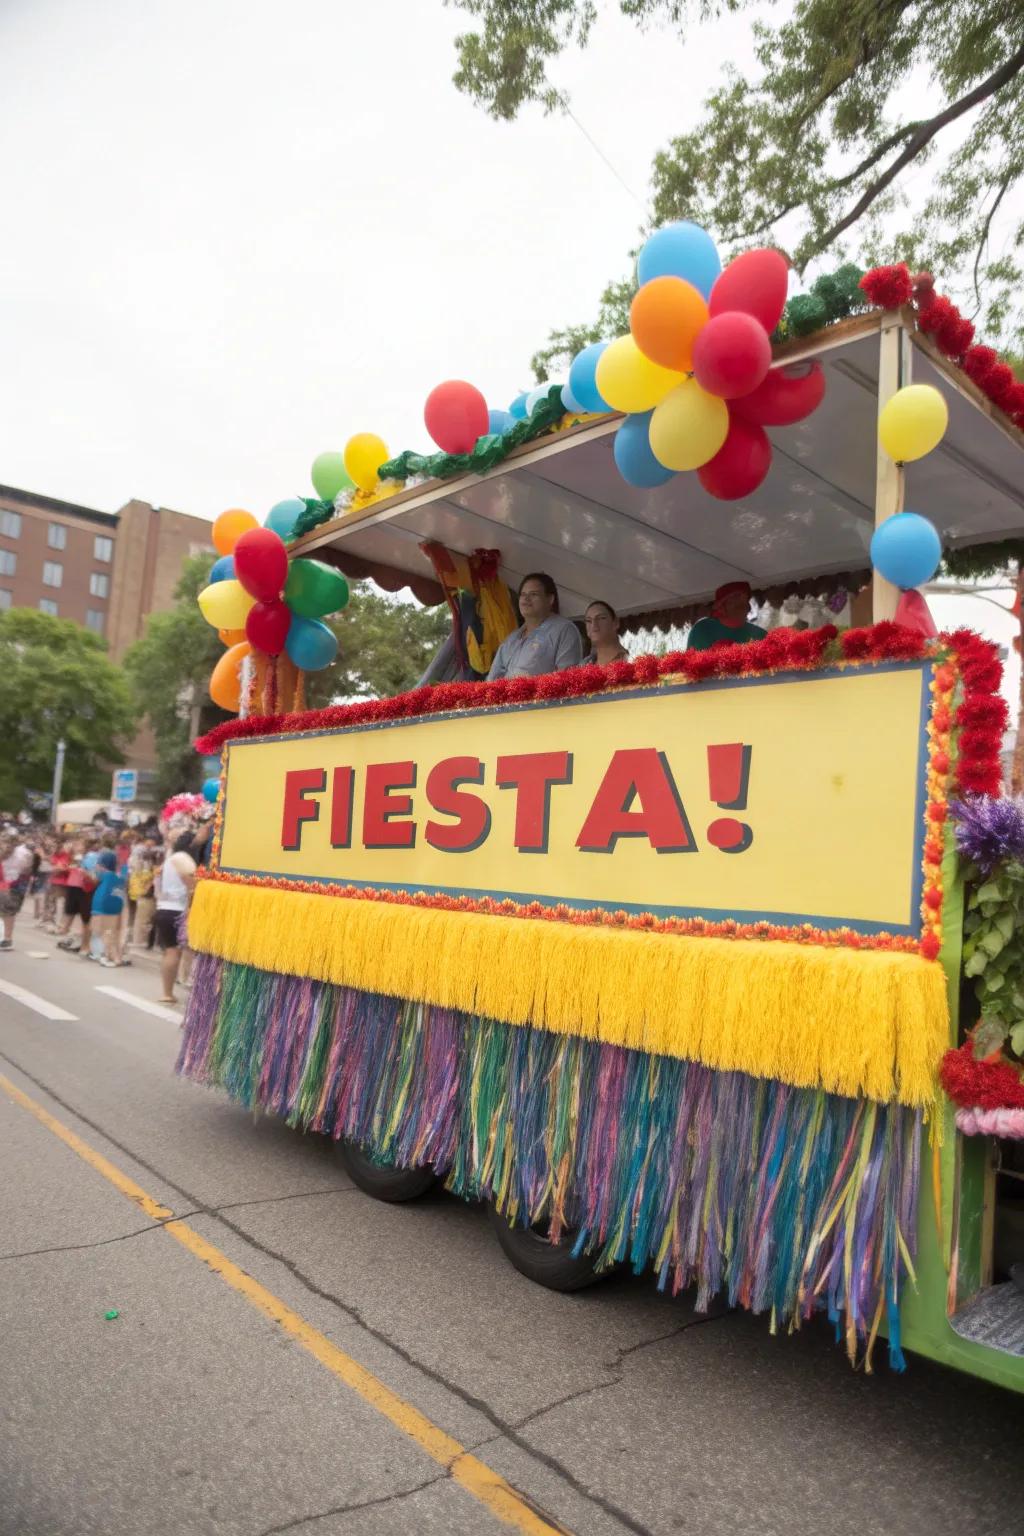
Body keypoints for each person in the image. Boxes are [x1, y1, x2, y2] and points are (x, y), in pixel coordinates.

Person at [487, 573, 583, 680]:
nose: (526, 599)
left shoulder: (564, 630)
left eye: (533, 594)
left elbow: (566, 680)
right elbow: (492, 680)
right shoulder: (511, 639)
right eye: (523, 594)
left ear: (550, 599)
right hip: (505, 695)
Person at [154, 831, 196, 1004]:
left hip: (164, 908)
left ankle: (167, 992)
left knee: (169, 951)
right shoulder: (183, 858)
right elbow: (189, 881)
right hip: (177, 911)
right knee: (176, 952)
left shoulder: (170, 859)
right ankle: (174, 991)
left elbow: (157, 879)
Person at [687, 581, 767, 651]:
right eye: (735, 599)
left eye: (744, 602)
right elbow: (690, 665)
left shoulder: (760, 635)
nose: (744, 607)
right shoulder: (702, 629)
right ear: (721, 607)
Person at [91, 848, 129, 967]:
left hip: (103, 905)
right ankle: (109, 955)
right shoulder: (121, 877)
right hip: (116, 906)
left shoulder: (105, 875)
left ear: (102, 864)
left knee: (106, 932)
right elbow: (124, 871)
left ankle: (114, 958)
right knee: (111, 932)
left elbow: (94, 878)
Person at [0, 832, 33, 950]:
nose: (5, 848)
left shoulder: (21, 856)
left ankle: (8, 939)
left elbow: (25, 871)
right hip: (5, 881)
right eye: (3, 844)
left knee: (8, 910)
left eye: (8, 845)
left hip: (15, 883)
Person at [583, 600, 629, 666]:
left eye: (601, 618)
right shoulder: (584, 666)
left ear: (615, 623)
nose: (594, 625)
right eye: (588, 621)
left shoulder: (632, 661)